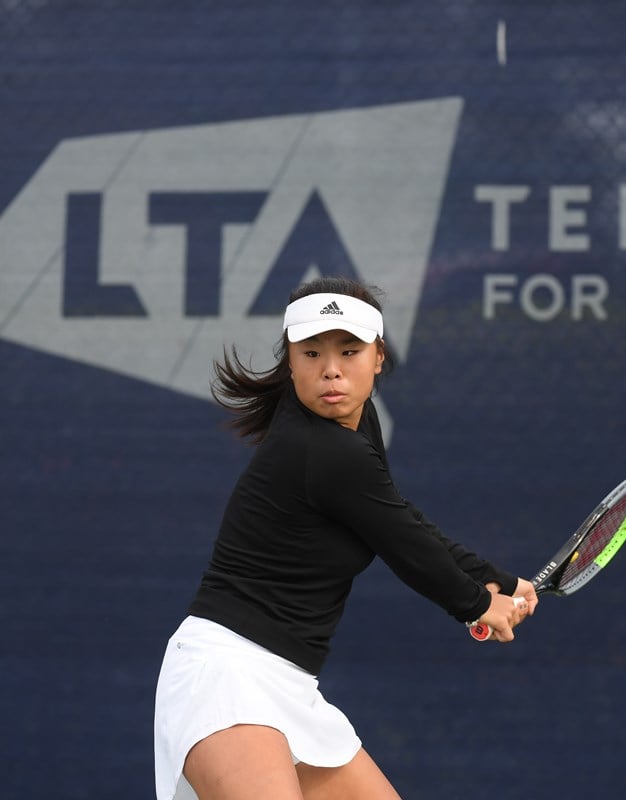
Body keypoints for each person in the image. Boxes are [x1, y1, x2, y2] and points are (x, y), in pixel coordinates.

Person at [154, 275, 538, 799]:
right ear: (291, 363)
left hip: (290, 685)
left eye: (349, 350)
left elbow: (395, 516)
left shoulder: (357, 429)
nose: (331, 368)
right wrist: (476, 605)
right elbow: (403, 544)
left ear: (378, 357)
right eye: (311, 353)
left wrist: (497, 580)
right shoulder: (326, 451)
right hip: (225, 676)